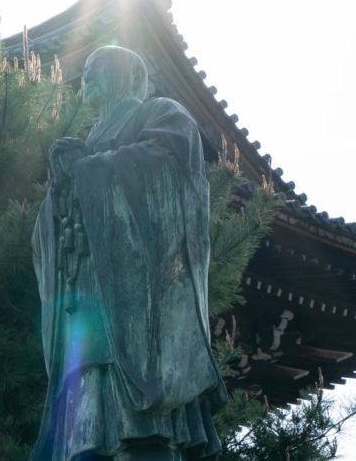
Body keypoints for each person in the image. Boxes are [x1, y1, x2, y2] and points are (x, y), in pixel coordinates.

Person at [31, 46, 226, 461]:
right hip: (88, 309)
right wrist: (61, 188)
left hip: (142, 312)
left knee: (145, 440)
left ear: (132, 75)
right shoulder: (87, 140)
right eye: (84, 71)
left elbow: (170, 171)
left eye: (97, 68)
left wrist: (87, 169)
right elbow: (51, 229)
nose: (86, 78)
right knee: (87, 434)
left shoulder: (161, 113)